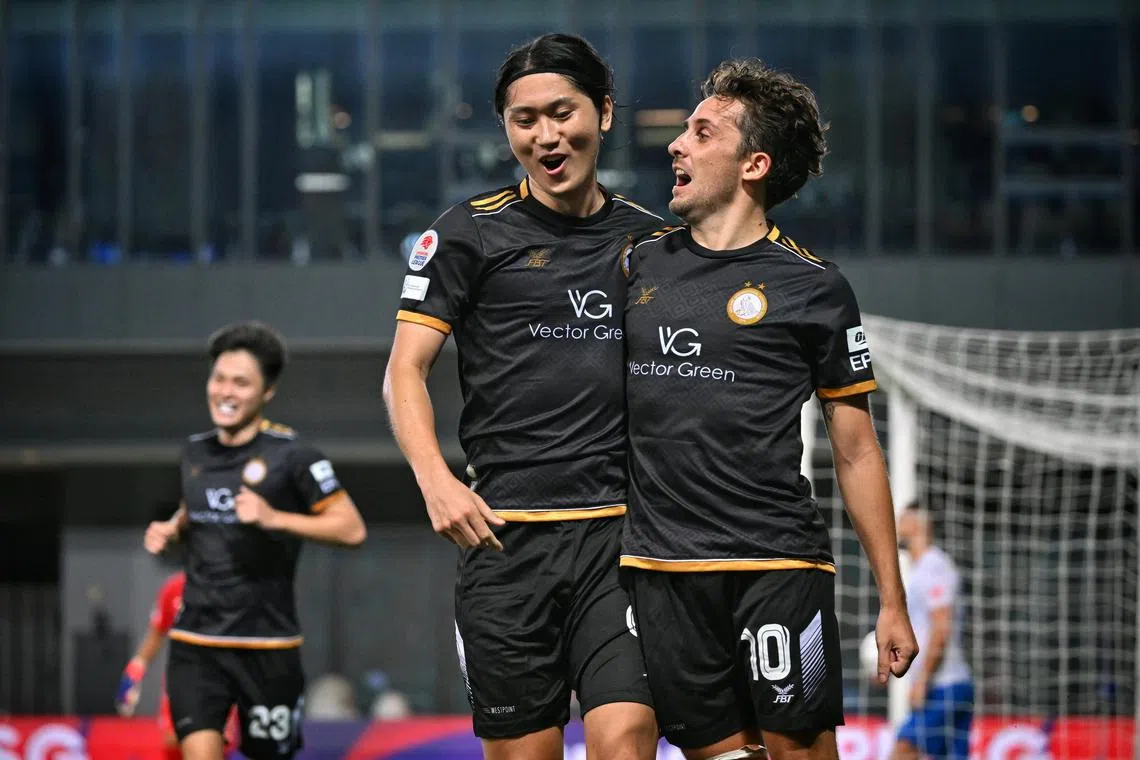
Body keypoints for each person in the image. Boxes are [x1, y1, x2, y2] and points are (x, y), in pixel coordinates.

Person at [620, 58, 919, 760]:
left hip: (775, 566)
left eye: (701, 132)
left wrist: (892, 599)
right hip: (660, 572)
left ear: (754, 164)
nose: (676, 144)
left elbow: (855, 450)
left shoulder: (815, 287)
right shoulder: (638, 264)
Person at [383, 32, 664, 760]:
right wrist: (435, 481)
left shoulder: (655, 244)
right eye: (524, 120)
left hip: (622, 542)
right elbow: (403, 372)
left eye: (561, 112)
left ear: (603, 113)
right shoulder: (467, 234)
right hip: (505, 546)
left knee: (628, 735)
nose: (545, 135)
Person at [143, 321, 367, 760]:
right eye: (219, 378)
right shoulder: (194, 452)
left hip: (268, 647)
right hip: (196, 644)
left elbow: (351, 528)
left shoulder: (295, 456)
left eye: (241, 382)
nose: (225, 391)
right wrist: (174, 526)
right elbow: (199, 504)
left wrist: (273, 517)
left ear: (266, 393)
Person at [114, 571, 239, 760]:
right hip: (182, 678)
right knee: (173, 739)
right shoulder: (174, 587)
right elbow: (157, 632)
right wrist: (133, 673)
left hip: (221, 680)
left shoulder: (232, 586)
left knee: (213, 744)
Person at [890, 504, 973, 760]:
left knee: (903, 750)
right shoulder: (921, 569)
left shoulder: (934, 566)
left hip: (944, 685)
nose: (895, 525)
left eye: (901, 519)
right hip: (951, 684)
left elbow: (941, 626)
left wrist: (923, 678)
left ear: (916, 525)